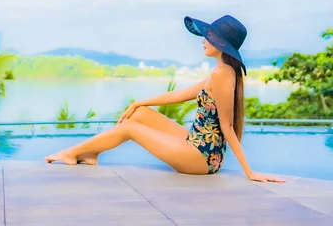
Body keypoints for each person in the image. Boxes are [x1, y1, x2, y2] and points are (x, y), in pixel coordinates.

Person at [45, 15, 285, 183]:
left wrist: (249, 171)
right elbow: (180, 95)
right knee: (139, 115)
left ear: (220, 44)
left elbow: (228, 127)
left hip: (201, 158)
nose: (203, 39)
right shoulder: (221, 72)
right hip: (196, 143)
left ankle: (71, 152)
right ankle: (90, 153)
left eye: (208, 36)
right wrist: (140, 102)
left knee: (130, 128)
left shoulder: (222, 74)